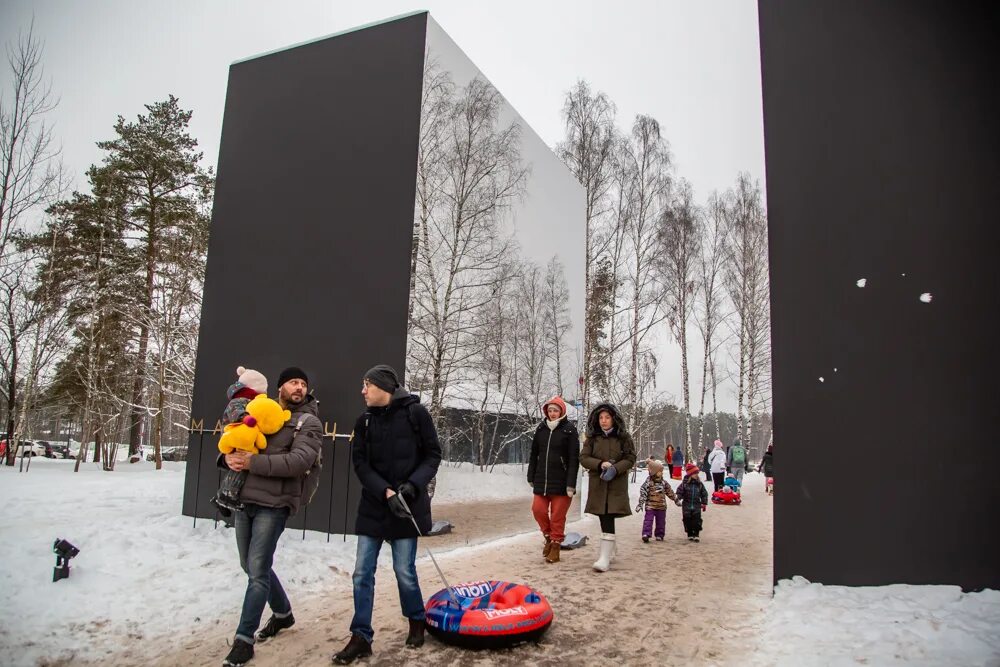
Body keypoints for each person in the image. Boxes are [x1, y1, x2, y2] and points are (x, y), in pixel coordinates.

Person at [333, 364, 442, 665]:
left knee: (404, 571)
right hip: (374, 506)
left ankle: (416, 619)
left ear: (383, 386)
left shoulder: (415, 414)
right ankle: (361, 636)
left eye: (367, 384)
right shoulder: (363, 422)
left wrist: (411, 487)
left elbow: (433, 454)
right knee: (361, 573)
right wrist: (385, 492)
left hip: (408, 508)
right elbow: (360, 465)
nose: (363, 391)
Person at [220, 366, 322, 667]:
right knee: (249, 564)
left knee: (258, 569)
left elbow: (298, 461)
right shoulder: (260, 412)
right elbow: (238, 439)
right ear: (280, 388)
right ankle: (283, 613)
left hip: (275, 504)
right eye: (293, 382)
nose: (299, 388)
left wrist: (253, 462)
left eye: (303, 383)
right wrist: (227, 456)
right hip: (245, 498)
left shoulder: (308, 422)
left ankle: (244, 640)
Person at [579, 403, 636, 572]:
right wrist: (599, 464)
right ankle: (610, 548)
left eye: (607, 417)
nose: (603, 421)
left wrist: (616, 468)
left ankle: (604, 558)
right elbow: (583, 458)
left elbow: (631, 457)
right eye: (600, 418)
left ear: (614, 419)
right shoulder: (592, 438)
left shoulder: (624, 438)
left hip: (616, 483)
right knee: (603, 515)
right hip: (598, 482)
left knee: (609, 515)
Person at [527, 396, 580, 564]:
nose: (552, 413)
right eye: (549, 410)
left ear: (561, 411)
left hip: (562, 482)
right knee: (538, 510)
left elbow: (573, 458)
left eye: (555, 410)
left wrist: (571, 484)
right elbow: (534, 454)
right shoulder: (541, 429)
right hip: (542, 480)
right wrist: (531, 475)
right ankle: (548, 537)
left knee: (557, 516)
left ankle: (555, 547)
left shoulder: (569, 430)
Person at [212, 366, 269, 517]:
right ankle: (226, 495)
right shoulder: (240, 400)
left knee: (238, 466)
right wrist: (247, 418)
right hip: (235, 437)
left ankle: (221, 496)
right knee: (239, 466)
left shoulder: (248, 399)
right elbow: (237, 413)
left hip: (241, 436)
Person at [635, 459, 677, 542]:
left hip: (661, 506)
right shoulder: (648, 483)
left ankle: (659, 534)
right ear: (654, 472)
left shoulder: (664, 483)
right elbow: (643, 493)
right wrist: (640, 504)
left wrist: (676, 499)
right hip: (650, 506)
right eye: (660, 471)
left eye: (661, 471)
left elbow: (669, 492)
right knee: (648, 521)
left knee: (661, 522)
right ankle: (646, 534)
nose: (661, 473)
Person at [675, 463, 709, 541]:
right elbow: (679, 492)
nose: (696, 475)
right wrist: (678, 499)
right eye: (695, 473)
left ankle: (696, 534)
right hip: (686, 505)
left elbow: (704, 493)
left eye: (697, 473)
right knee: (687, 519)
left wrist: (704, 503)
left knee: (697, 520)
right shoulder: (684, 484)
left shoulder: (699, 484)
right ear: (690, 474)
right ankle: (690, 533)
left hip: (697, 505)